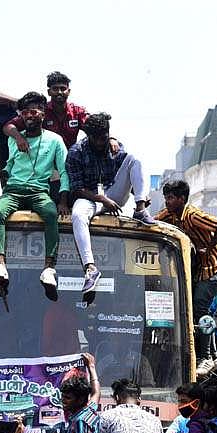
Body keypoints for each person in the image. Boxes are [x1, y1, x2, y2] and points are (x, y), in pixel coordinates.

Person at [0, 91, 70, 300]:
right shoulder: (15, 140)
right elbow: (10, 167)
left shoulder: (55, 141)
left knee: (51, 214)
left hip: (39, 192)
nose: (29, 116)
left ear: (43, 114)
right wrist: (2, 172)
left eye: (33, 111)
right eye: (25, 112)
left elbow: (63, 172)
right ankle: (1, 265)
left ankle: (48, 269)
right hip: (14, 191)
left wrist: (62, 200)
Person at [63, 112, 153, 297]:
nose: (99, 142)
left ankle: (141, 209)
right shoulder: (76, 152)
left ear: (108, 134)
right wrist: (102, 199)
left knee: (135, 159)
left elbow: (128, 171)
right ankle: (90, 268)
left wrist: (138, 194)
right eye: (95, 138)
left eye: (103, 137)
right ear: (88, 136)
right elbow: (77, 189)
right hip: (90, 198)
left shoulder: (115, 146)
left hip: (113, 192)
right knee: (78, 215)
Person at [155, 179, 217, 366]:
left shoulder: (192, 215)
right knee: (194, 309)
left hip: (214, 266)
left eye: (171, 198)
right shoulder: (171, 215)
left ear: (182, 199)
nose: (167, 202)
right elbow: (151, 221)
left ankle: (205, 357)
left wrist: (209, 247)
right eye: (166, 198)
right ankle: (213, 355)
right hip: (199, 270)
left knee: (199, 308)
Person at [4, 70, 88, 149]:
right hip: (46, 158)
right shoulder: (40, 111)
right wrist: (19, 138)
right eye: (55, 89)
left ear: (68, 91)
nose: (59, 92)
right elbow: (8, 126)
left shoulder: (78, 112)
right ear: (49, 92)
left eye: (63, 89)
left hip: (70, 158)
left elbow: (93, 128)